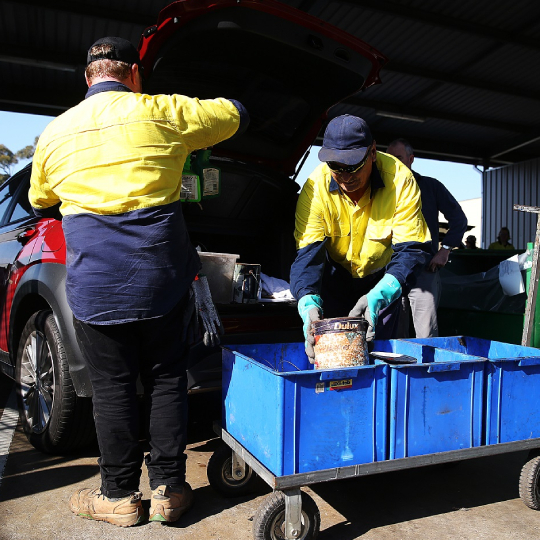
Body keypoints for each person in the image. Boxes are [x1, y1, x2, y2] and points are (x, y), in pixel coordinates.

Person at [29, 37, 249, 527]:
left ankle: (118, 496)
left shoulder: (54, 132)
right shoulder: (163, 111)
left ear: (88, 78)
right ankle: (170, 489)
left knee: (112, 387)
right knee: (168, 376)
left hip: (95, 283)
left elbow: (41, 196)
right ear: (133, 74)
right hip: (161, 279)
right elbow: (234, 115)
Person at [290, 115, 431, 360]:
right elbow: (307, 256)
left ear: (373, 152)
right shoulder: (315, 187)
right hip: (335, 280)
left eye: (353, 166)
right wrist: (307, 303)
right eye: (336, 167)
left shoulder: (400, 181)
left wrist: (381, 294)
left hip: (383, 281)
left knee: (381, 357)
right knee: (334, 359)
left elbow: (410, 251)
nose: (345, 176)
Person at [387, 138, 467, 338]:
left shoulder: (430, 187)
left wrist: (445, 249)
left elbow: (459, 219)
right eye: (389, 158)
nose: (393, 163)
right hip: (389, 271)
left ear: (411, 159)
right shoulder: (381, 189)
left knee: (426, 336)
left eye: (398, 158)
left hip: (423, 271)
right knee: (392, 335)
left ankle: (426, 369)